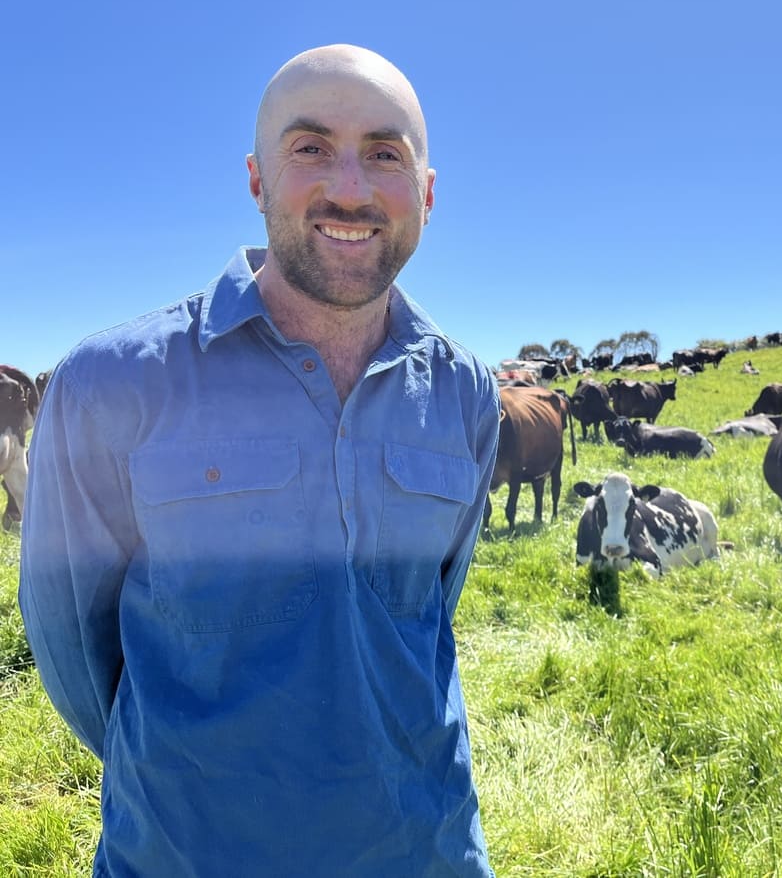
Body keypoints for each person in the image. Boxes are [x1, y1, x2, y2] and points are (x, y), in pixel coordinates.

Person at [19, 44, 499, 876]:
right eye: (310, 148)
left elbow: (423, 618)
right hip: (186, 856)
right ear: (256, 181)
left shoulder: (465, 394)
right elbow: (71, 648)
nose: (349, 187)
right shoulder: (111, 384)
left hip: (426, 850)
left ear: (425, 193)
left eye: (384, 154)